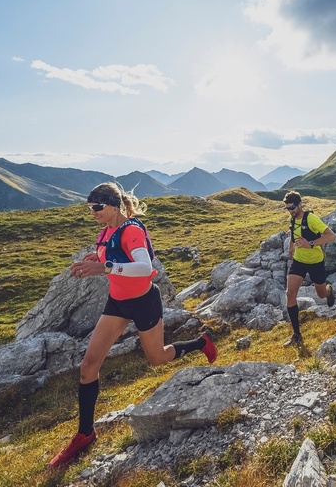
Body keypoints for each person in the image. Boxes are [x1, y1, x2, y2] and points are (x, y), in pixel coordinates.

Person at [50, 182, 217, 469]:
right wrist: (96, 258)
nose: (93, 213)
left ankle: (201, 343)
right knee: (89, 366)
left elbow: (144, 266)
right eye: (89, 208)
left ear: (113, 205)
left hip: (143, 302)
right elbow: (110, 257)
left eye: (97, 207)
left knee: (157, 358)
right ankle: (85, 434)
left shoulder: (131, 230)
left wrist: (105, 267)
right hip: (117, 303)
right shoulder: (106, 231)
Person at [282, 191, 336, 346]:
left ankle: (329, 291)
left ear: (300, 205)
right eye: (287, 208)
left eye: (292, 207)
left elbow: (331, 236)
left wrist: (310, 243)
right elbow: (293, 233)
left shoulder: (311, 219)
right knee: (290, 293)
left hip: (315, 262)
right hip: (298, 261)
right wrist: (291, 247)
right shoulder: (292, 219)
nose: (290, 211)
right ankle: (297, 335)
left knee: (321, 294)